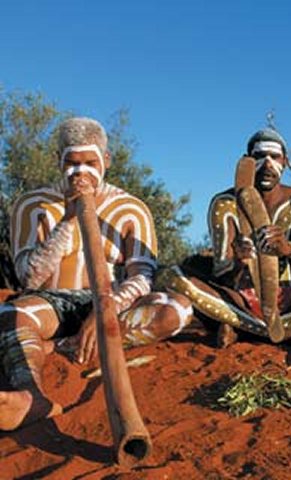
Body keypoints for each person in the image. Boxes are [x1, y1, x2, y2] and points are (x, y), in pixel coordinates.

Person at [0, 117, 193, 430]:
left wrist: (106, 309)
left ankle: (57, 346)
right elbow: (28, 279)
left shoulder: (132, 208)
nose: (81, 172)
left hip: (110, 303)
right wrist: (68, 221)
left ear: (106, 160)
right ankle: (31, 396)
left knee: (177, 310)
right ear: (57, 161)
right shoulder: (32, 205)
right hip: (49, 304)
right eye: (71, 163)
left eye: (90, 162)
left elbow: (142, 277)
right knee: (7, 314)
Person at [164, 128, 291, 345]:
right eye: (259, 156)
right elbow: (221, 271)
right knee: (175, 278)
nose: (267, 164)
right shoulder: (225, 204)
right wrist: (238, 262)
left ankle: (246, 329)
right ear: (248, 161)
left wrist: (289, 249)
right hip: (239, 301)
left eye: (274, 157)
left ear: (284, 162)